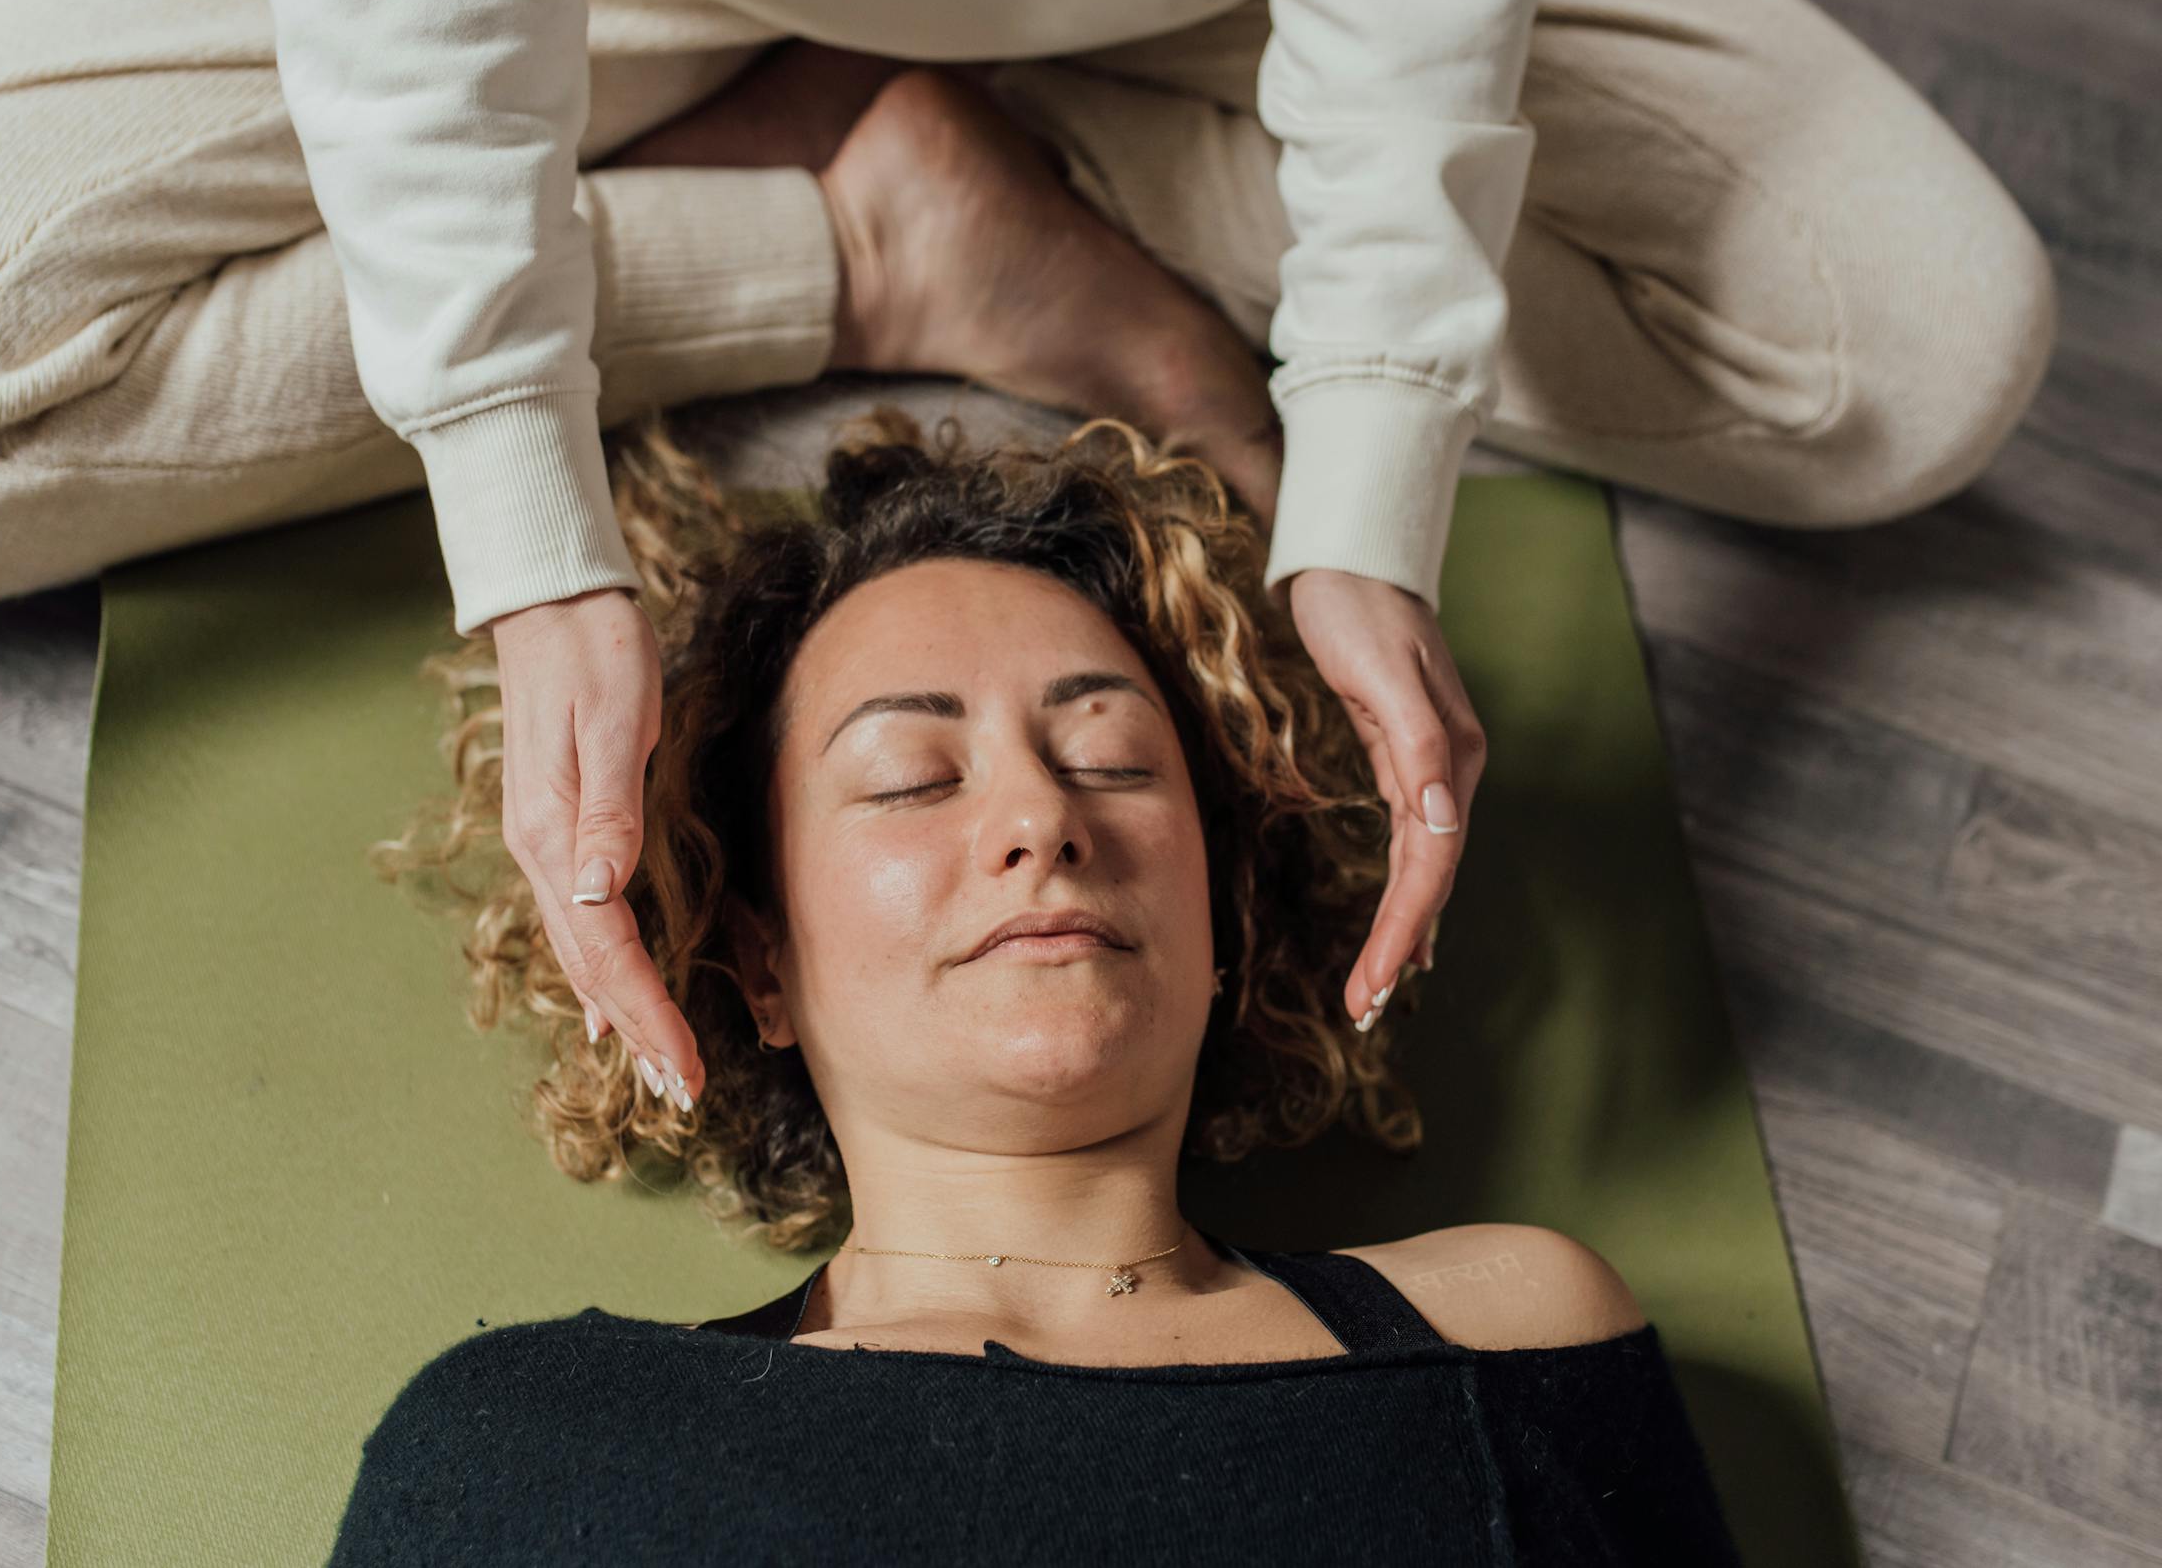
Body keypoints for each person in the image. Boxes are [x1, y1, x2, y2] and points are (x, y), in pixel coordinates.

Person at [0, 0, 2055, 1117]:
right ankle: (854, 221)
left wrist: (1372, 432)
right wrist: (514, 493)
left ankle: (1024, 161)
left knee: (1905, 360)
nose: (1032, 836)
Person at [345, 407, 1742, 1563]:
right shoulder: (533, 1441)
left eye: (1114, 757)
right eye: (911, 777)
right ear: (760, 962)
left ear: (1221, 927)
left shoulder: (1516, 1328)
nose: (1041, 817)